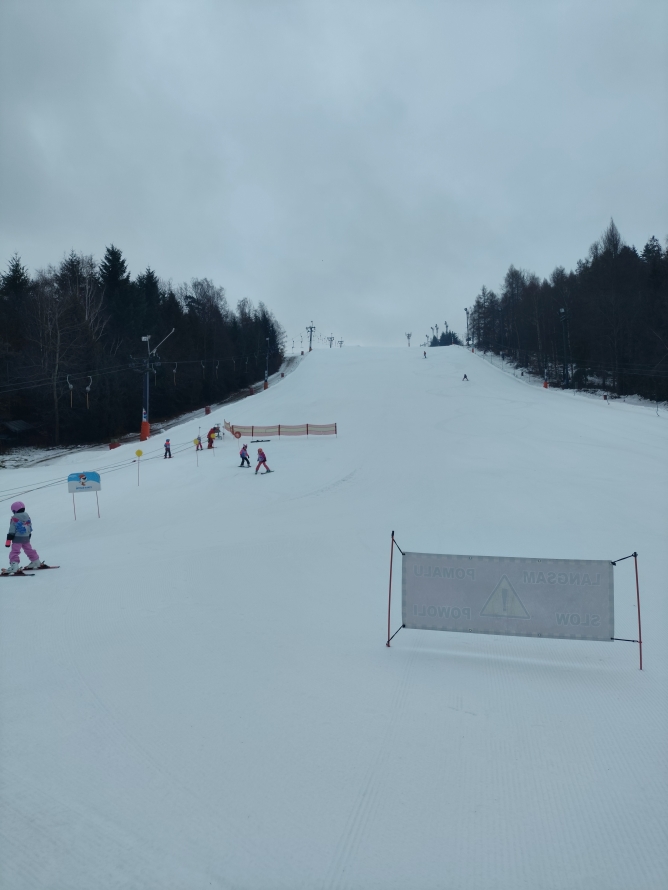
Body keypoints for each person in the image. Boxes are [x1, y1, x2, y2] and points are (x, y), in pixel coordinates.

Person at [5, 501, 43, 573]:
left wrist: (8, 540)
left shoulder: (14, 518)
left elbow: (12, 529)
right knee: (29, 549)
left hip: (17, 538)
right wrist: (29, 535)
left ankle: (14, 566)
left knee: (15, 551)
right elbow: (29, 526)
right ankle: (36, 561)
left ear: (14, 510)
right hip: (26, 537)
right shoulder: (27, 516)